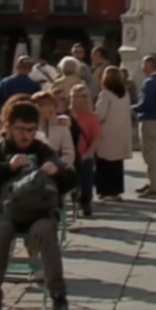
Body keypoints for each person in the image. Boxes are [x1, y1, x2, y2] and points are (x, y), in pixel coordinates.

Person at [0, 100, 78, 310]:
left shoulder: (41, 149)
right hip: (4, 213)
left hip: (37, 213)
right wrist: (6, 168)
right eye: (20, 129)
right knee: (1, 234)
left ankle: (58, 296)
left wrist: (57, 173)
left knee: (47, 231)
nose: (26, 135)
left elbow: (71, 179)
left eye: (31, 130)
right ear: (7, 127)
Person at [133, 55, 156, 199]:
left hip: (149, 120)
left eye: (144, 63)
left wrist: (130, 108)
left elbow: (144, 105)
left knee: (151, 156)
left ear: (150, 64)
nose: (142, 66)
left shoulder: (150, 82)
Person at [93, 66, 132, 202]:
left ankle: (104, 190)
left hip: (107, 132)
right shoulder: (125, 93)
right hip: (121, 132)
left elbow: (100, 115)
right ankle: (116, 191)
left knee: (104, 163)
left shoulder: (106, 94)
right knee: (117, 164)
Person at [69, 84, 101, 217]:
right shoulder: (66, 115)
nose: (79, 99)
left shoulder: (92, 117)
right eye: (76, 96)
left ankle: (85, 202)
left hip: (83, 154)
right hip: (69, 153)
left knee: (86, 174)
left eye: (83, 96)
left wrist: (88, 154)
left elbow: (95, 139)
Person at [33, 89, 75, 165]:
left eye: (52, 105)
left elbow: (69, 153)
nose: (51, 108)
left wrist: (56, 165)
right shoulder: (29, 127)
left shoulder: (61, 125)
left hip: (57, 169)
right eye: (45, 105)